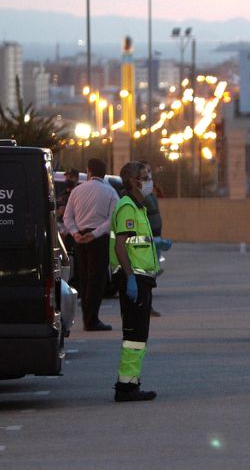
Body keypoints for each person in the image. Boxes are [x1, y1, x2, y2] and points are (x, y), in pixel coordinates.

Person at [109, 161, 170, 402]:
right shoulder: (127, 207)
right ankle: (126, 387)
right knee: (135, 335)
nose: (150, 180)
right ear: (134, 181)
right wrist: (131, 279)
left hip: (143, 278)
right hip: (134, 279)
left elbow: (136, 240)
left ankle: (129, 383)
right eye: (145, 176)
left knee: (138, 334)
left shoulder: (139, 206)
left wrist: (157, 243)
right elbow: (120, 245)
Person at [64, 159, 119, 331]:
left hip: (79, 239)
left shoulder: (77, 191)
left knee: (84, 278)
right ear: (104, 173)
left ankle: (87, 319)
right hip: (98, 239)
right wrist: (94, 234)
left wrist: (76, 233)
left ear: (88, 171)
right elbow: (113, 219)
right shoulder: (110, 192)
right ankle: (91, 320)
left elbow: (67, 217)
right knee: (97, 280)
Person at [140, 160, 168, 318]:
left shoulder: (149, 191)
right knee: (147, 274)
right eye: (146, 172)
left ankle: (147, 305)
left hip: (155, 236)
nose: (149, 174)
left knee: (153, 272)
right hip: (147, 238)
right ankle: (145, 307)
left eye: (150, 171)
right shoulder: (140, 194)